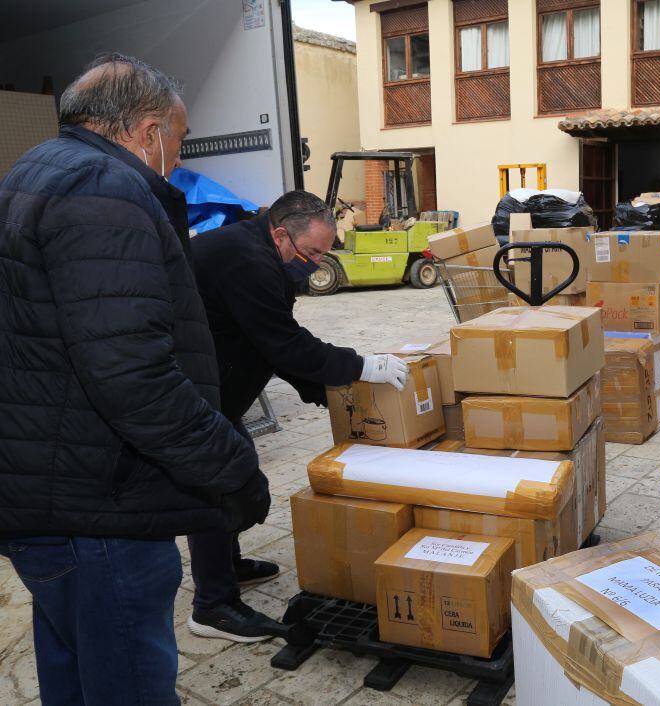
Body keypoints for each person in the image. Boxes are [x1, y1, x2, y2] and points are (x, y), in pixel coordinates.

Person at [0, 54, 268, 705]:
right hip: (100, 507)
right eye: (178, 140)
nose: (177, 157)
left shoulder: (31, 170)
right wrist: (231, 466)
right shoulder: (103, 190)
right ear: (148, 132)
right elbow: (132, 375)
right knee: (126, 682)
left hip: (45, 489)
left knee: (73, 668)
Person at [185, 190, 409, 642]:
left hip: (217, 381)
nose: (315, 264)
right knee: (220, 484)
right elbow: (284, 341)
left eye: (324, 253)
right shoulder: (246, 260)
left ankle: (226, 566)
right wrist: (360, 366)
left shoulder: (264, 250)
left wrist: (328, 393)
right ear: (282, 234)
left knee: (232, 473)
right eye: (311, 253)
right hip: (193, 385)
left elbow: (271, 344)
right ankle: (212, 606)